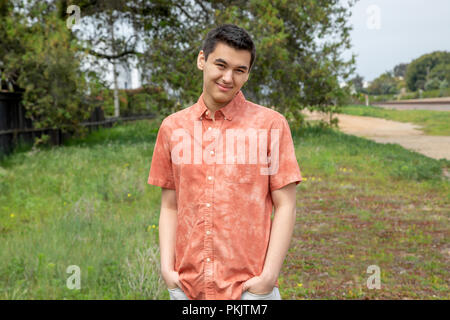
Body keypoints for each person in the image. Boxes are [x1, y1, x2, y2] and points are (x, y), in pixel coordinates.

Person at [147, 24, 303, 300]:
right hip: (187, 287)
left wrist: (267, 278)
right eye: (221, 64)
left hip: (250, 290)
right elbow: (169, 205)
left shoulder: (270, 126)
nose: (228, 77)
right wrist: (167, 271)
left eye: (240, 70)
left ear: (247, 74)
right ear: (201, 60)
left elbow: (286, 204)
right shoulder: (172, 128)